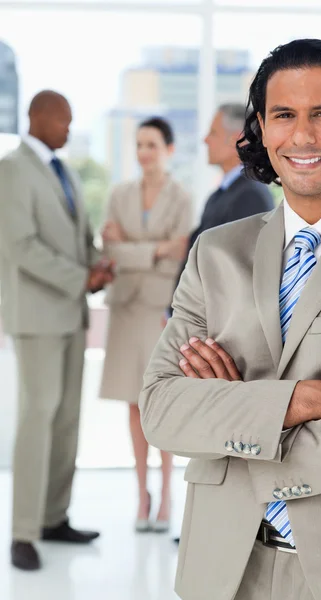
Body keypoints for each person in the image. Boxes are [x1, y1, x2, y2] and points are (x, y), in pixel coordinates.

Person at [140, 38, 321, 600]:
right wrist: (313, 398)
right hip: (222, 570)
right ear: (260, 127)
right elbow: (160, 411)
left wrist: (231, 423)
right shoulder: (215, 253)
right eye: (284, 115)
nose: (302, 136)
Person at [0, 90, 114, 572]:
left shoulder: (63, 171)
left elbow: (78, 234)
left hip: (71, 314)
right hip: (37, 316)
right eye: (63, 120)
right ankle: (23, 532)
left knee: (67, 420)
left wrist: (95, 266)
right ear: (37, 117)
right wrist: (78, 277)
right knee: (37, 416)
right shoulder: (11, 169)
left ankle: (53, 518)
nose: (68, 129)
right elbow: (21, 245)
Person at [100, 117, 191, 533]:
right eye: (139, 144)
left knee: (160, 402)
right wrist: (153, 252)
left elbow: (180, 253)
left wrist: (135, 251)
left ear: (168, 149)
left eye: (151, 144)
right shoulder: (119, 195)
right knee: (133, 406)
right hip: (125, 310)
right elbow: (111, 252)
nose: (143, 152)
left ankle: (166, 498)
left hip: (159, 310)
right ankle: (142, 496)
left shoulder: (182, 197)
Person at [166, 103, 275, 320]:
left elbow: (237, 275)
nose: (205, 140)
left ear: (239, 138)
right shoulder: (224, 194)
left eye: (213, 133)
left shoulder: (250, 196)